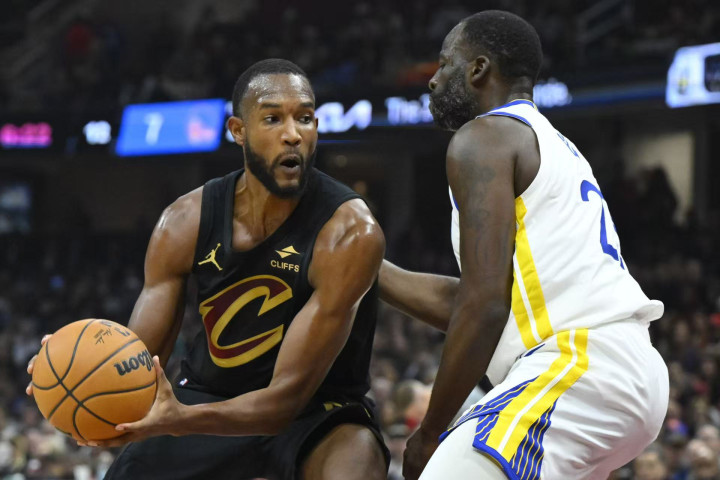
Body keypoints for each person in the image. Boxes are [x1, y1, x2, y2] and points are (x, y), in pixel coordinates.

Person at [27, 59, 389, 480]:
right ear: (238, 130)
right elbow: (138, 359)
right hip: (207, 395)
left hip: (315, 411)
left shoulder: (350, 232)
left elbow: (282, 404)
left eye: (304, 118)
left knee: (356, 464)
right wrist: (72, 369)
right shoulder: (184, 221)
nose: (293, 134)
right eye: (273, 118)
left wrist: (180, 420)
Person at [379, 10, 669, 480]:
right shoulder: (552, 143)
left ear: (478, 69)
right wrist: (369, 268)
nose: (433, 79)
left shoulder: (484, 138)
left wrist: (430, 431)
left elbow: (484, 305)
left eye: (444, 63)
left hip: (579, 363)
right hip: (621, 370)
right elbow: (480, 301)